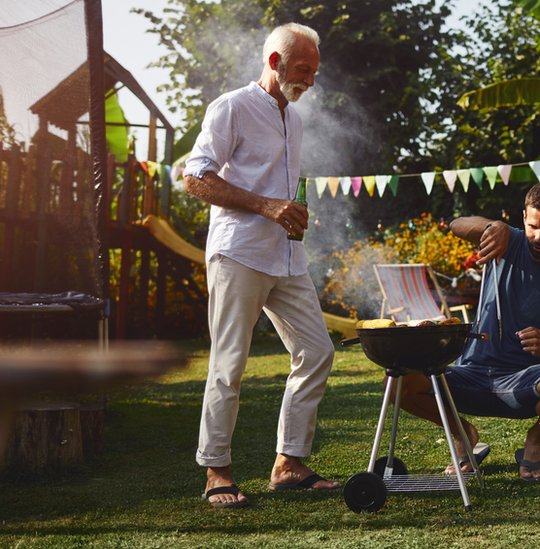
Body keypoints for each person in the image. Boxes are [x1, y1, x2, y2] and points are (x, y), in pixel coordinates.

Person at [183, 23, 337, 509]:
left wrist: (289, 210)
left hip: (288, 257)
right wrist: (267, 206)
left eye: (314, 71)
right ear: (274, 62)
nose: (310, 80)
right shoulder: (231, 106)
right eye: (302, 70)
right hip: (240, 252)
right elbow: (195, 179)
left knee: (317, 352)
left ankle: (288, 463)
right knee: (229, 365)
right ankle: (216, 471)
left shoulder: (294, 118)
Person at [399, 182, 540, 483]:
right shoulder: (509, 240)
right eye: (532, 227)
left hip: (523, 382)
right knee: (399, 380)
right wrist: (494, 226)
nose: (538, 237)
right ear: (523, 218)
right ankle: (464, 433)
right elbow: (456, 224)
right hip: (468, 374)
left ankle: (534, 439)